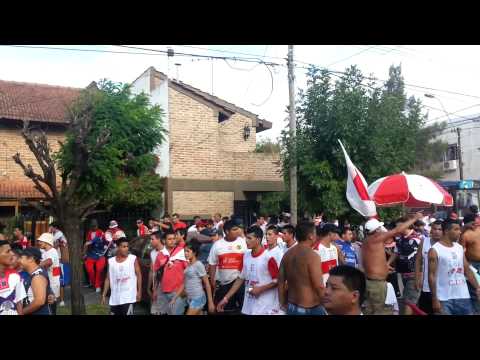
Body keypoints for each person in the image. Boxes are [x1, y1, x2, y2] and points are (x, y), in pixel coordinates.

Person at [362, 213, 423, 315]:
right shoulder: (376, 239)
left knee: (371, 311)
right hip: (377, 284)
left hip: (371, 282)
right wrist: (415, 218)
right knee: (383, 311)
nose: (383, 229)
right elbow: (397, 231)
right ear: (376, 230)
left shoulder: (366, 242)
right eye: (380, 228)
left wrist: (384, 267)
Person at [217, 226, 282, 315]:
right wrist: (226, 298)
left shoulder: (268, 258)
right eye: (246, 238)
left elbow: (278, 281)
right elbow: (240, 278)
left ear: (258, 240)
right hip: (249, 306)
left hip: (265, 307)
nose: (246, 241)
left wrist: (260, 289)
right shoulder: (245, 255)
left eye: (249, 238)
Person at [428, 219, 480, 315]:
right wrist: (434, 298)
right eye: (456, 229)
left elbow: (467, 270)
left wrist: (477, 288)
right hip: (444, 298)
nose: (460, 232)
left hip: (463, 296)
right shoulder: (435, 250)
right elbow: (431, 275)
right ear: (447, 231)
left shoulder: (459, 247)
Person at [278, 222, 326, 315]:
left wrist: (282, 303)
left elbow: (280, 282)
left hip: (291, 306)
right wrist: (328, 305)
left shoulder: (287, 255)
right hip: (310, 308)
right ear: (311, 236)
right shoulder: (312, 256)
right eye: (315, 233)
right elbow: (319, 286)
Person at [208, 219, 248, 314]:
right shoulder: (217, 245)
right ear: (227, 231)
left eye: (238, 229)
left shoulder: (243, 242)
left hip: (241, 283)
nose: (237, 231)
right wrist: (213, 281)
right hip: (224, 284)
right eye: (234, 230)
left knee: (243, 309)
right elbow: (212, 264)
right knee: (227, 310)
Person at [388, 216, 422, 313]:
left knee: (409, 302)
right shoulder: (400, 239)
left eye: (399, 227)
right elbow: (396, 252)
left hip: (414, 275)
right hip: (403, 275)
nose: (397, 229)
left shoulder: (418, 238)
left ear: (407, 226)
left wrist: (420, 275)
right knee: (411, 301)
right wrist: (387, 264)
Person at [102, 238, 142, 315]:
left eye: (127, 246)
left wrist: (139, 291)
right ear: (118, 247)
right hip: (115, 298)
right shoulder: (111, 261)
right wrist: (104, 294)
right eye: (124, 246)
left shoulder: (132, 258)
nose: (126, 249)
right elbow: (108, 278)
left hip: (129, 297)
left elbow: (139, 275)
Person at [175, 240, 215, 315]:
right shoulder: (189, 265)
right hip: (190, 298)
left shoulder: (198, 265)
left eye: (188, 251)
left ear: (194, 252)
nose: (185, 253)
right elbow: (187, 282)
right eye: (184, 251)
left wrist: (210, 302)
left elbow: (207, 283)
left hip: (198, 298)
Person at [153, 231, 188, 315]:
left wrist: (185, 289)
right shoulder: (160, 254)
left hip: (178, 291)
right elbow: (156, 273)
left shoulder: (181, 252)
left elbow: (189, 270)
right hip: (163, 291)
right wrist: (155, 290)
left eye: (174, 239)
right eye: (169, 239)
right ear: (164, 241)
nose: (172, 241)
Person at [416, 220, 443, 314]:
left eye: (440, 229)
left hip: (443, 287)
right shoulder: (424, 242)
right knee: (425, 311)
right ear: (431, 230)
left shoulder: (446, 245)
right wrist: (417, 278)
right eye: (434, 229)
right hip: (426, 286)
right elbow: (418, 260)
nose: (436, 231)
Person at [19, 247, 52, 315]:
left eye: (21, 257)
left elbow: (39, 301)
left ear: (31, 259)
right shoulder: (31, 274)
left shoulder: (37, 276)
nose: (18, 260)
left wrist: (21, 313)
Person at [460, 213, 480, 314]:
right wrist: (467, 266)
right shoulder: (465, 235)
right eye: (475, 220)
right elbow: (461, 252)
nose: (477, 222)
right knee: (475, 290)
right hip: (473, 265)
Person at [0, 240, 26, 315]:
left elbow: (19, 302)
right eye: (8, 251)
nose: (12, 254)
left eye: (11, 250)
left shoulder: (15, 275)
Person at [37, 233, 61, 315]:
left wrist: (37, 266)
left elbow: (49, 261)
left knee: (51, 304)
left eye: (40, 241)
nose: (38, 243)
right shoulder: (44, 251)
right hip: (48, 281)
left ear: (46, 242)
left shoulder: (52, 251)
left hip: (53, 282)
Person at [148, 231, 169, 315]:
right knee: (154, 311)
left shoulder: (167, 252)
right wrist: (149, 287)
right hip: (155, 287)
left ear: (159, 239)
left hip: (166, 287)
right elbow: (152, 270)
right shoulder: (152, 253)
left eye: (152, 239)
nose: (151, 241)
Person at [84, 221, 107, 293]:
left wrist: (91, 242)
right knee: (89, 269)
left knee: (99, 269)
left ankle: (98, 285)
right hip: (91, 254)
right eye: (93, 226)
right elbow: (86, 243)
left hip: (100, 254)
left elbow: (103, 241)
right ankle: (94, 283)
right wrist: (84, 254)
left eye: (95, 226)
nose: (94, 227)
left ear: (97, 226)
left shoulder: (101, 232)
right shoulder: (89, 233)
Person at [49, 222, 68, 307]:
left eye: (51, 227)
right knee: (54, 280)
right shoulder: (54, 234)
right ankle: (56, 298)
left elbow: (55, 244)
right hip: (54, 261)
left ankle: (62, 300)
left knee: (59, 280)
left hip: (58, 262)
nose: (50, 229)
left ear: (55, 227)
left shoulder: (59, 234)